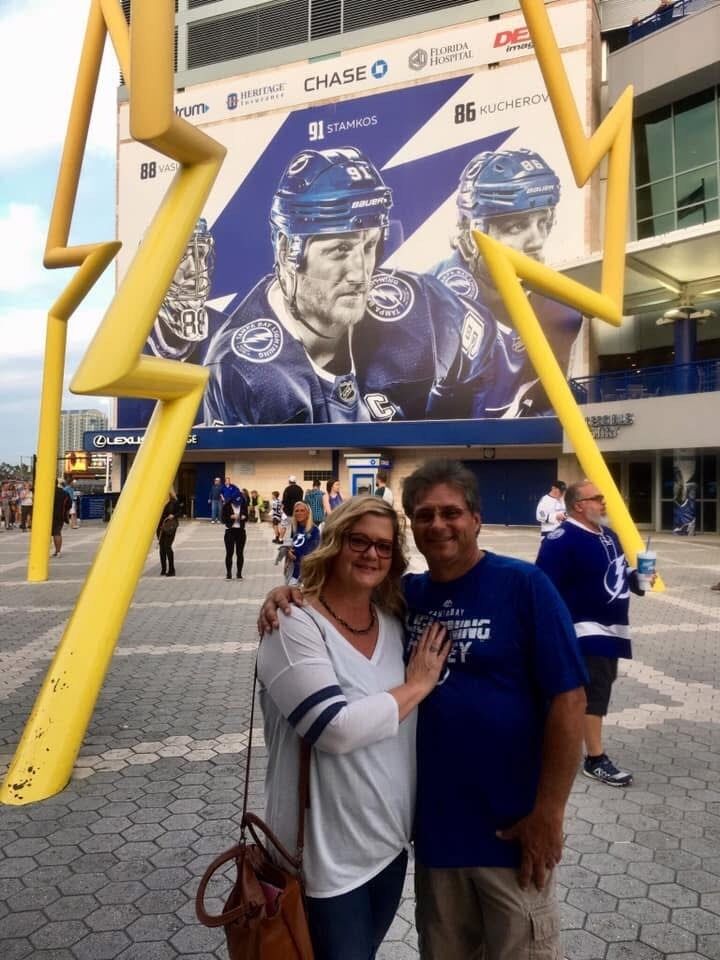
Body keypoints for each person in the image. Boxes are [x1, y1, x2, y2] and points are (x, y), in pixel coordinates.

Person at [260, 459, 587, 960]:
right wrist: (287, 593)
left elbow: (570, 701)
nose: (439, 524)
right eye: (425, 514)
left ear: (476, 519)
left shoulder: (524, 587)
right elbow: (341, 605)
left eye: (451, 512)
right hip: (434, 841)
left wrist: (550, 813)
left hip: (513, 838)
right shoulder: (404, 599)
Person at [257, 495, 450, 960]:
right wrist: (417, 685)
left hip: (386, 847)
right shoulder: (294, 624)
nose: (371, 555)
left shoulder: (393, 622)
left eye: (384, 547)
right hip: (323, 860)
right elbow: (334, 728)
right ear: (334, 543)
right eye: (358, 541)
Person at [202, 146, 495, 426]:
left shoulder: (423, 309)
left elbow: (480, 345)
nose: (360, 273)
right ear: (286, 250)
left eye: (369, 246)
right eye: (340, 250)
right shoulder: (242, 372)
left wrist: (446, 419)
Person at [430, 148, 582, 418]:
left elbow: (546, 404)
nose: (536, 240)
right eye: (516, 226)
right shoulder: (431, 302)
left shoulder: (561, 311)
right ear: (471, 231)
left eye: (543, 222)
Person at [536, 479, 654, 788]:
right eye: (597, 498)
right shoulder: (562, 539)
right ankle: (595, 758)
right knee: (594, 694)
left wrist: (638, 577)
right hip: (584, 631)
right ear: (578, 505)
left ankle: (561, 745)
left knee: (597, 689)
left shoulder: (610, 536)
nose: (603, 503)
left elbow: (617, 574)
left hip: (612, 629)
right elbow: (542, 588)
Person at [146, 218, 227, 363]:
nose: (194, 270)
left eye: (200, 254)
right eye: (180, 256)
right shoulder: (127, 335)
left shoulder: (226, 332)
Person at [282, 501, 321, 586]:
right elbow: (292, 546)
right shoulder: (295, 528)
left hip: (306, 575)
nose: (299, 513)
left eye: (302, 510)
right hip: (293, 573)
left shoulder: (314, 531)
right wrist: (288, 553)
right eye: (296, 511)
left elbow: (313, 554)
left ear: (308, 513)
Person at [221, 490, 247, 580]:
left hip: (240, 531)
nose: (237, 504)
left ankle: (239, 573)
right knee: (229, 553)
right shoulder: (226, 506)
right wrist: (230, 517)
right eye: (235, 502)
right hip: (230, 531)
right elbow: (223, 519)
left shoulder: (243, 505)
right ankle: (228, 573)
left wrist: (243, 517)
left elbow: (246, 515)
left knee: (240, 553)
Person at [157, 490, 180, 577]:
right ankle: (163, 569)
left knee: (167, 546)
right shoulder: (158, 502)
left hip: (171, 526)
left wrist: (173, 515)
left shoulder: (174, 502)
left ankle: (171, 569)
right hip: (160, 527)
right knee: (162, 548)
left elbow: (179, 512)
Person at [52, 481, 71, 557]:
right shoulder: (64, 493)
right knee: (57, 533)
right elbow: (69, 504)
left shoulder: (45, 491)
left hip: (46, 516)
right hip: (60, 515)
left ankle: (44, 551)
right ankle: (58, 551)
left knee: (45, 534)